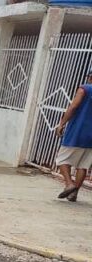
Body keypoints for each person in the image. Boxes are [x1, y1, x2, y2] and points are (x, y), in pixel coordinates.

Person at [54, 66, 92, 202]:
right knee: (83, 164)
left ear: (89, 76)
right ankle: (74, 193)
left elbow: (73, 106)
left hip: (77, 131)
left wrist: (62, 123)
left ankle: (69, 184)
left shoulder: (85, 89)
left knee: (62, 159)